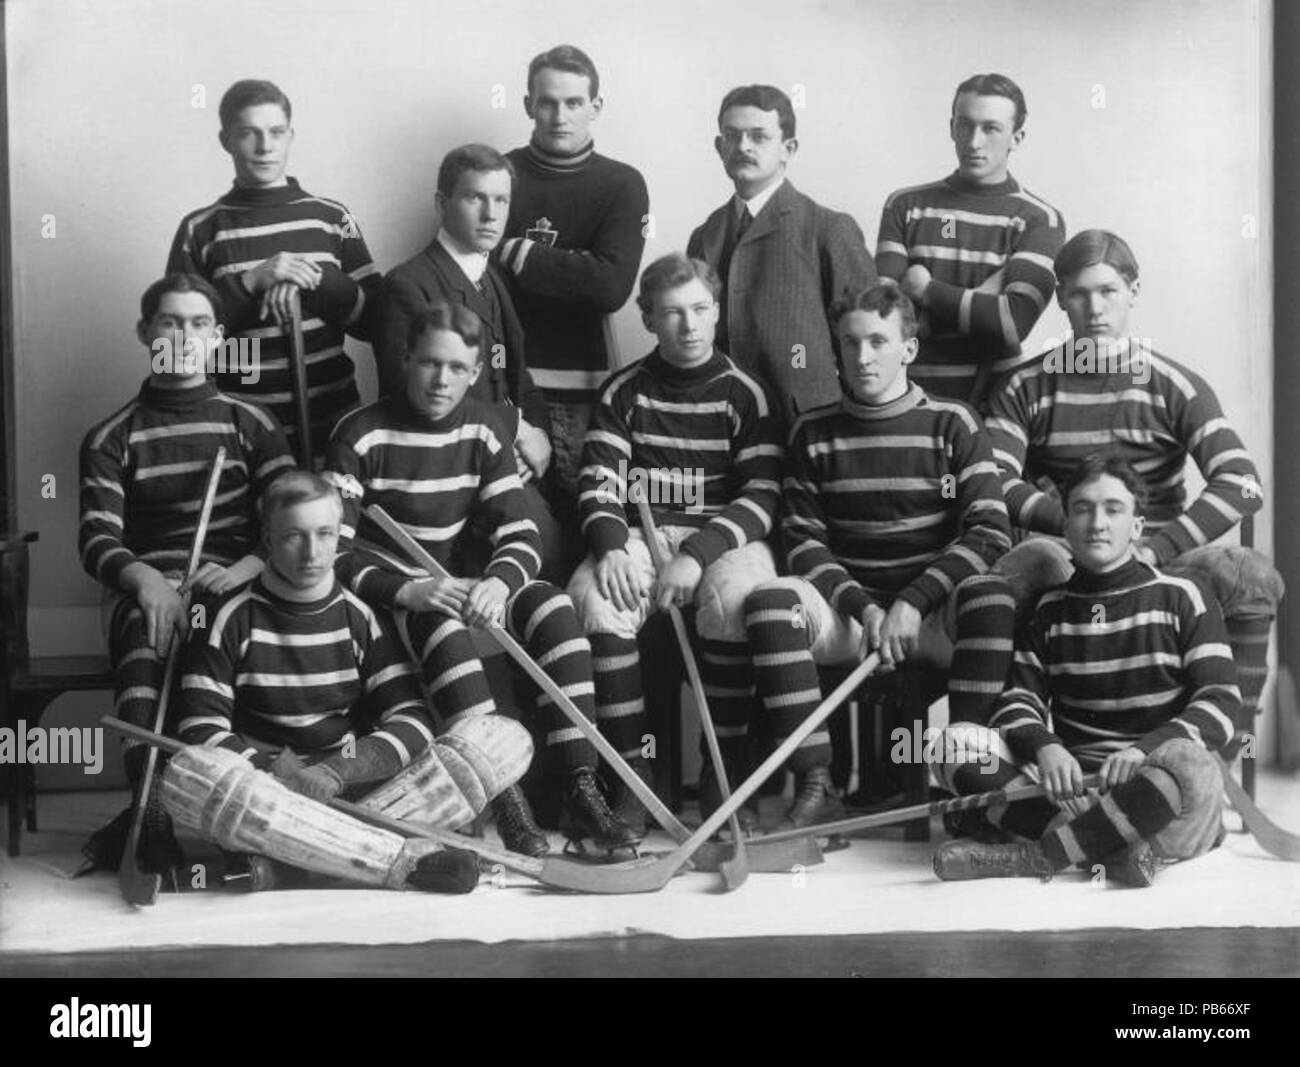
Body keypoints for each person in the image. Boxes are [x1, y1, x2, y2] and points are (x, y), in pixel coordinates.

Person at [327, 301, 636, 856]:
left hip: (464, 581)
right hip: (394, 597)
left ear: (474, 373)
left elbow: (519, 530)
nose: (440, 380)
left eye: (456, 368)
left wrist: (498, 581)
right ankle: (507, 798)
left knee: (554, 607)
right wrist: (408, 589)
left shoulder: (483, 428)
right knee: (440, 626)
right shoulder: (359, 433)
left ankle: (579, 787)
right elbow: (334, 552)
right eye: (428, 363)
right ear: (405, 360)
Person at [985, 229, 1283, 752]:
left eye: (1108, 291)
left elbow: (1242, 482)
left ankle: (1223, 752)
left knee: (1252, 576)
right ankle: (1014, 754)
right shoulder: (1026, 385)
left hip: (1159, 556)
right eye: (1079, 293)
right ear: (1060, 299)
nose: (1094, 308)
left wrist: (1155, 547)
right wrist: (1075, 527)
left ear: (1134, 291)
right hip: (1069, 554)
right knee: (1022, 570)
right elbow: (993, 478)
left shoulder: (1171, 384)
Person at [175, 471, 530, 894]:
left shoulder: (360, 616)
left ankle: (291, 866)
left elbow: (412, 721)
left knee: (499, 740)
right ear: (267, 541)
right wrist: (276, 771)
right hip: (266, 793)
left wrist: (336, 771)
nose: (312, 552)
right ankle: (388, 857)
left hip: (346, 790)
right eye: (294, 536)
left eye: (325, 534)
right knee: (195, 771)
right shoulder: (226, 616)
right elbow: (200, 728)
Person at [743, 282, 1015, 829]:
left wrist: (914, 602)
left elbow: (990, 532)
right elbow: (803, 541)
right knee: (770, 603)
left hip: (930, 614)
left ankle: (966, 780)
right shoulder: (813, 432)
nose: (862, 357)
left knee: (992, 594)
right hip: (852, 615)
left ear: (908, 349)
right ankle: (819, 785)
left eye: (878, 341)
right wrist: (864, 607)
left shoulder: (954, 423)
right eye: (849, 343)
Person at [932, 455, 1239, 887]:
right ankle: (1113, 849)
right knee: (954, 745)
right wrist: (1046, 747)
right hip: (1077, 792)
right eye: (1083, 508)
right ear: (1066, 525)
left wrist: (1143, 751)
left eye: (1113, 509)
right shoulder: (1051, 610)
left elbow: (1221, 701)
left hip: (1159, 788)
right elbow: (1017, 701)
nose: (1097, 522)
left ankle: (1036, 855)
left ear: (1136, 526)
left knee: (1191, 762)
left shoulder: (1183, 595)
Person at [77, 272, 294, 874]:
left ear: (218, 337)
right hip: (151, 584)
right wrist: (146, 581)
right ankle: (150, 810)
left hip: (241, 579)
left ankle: (246, 816)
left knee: (223, 626)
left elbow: (291, 519)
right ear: (146, 332)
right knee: (155, 631)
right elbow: (97, 536)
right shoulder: (111, 436)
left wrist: (250, 564)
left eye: (199, 323)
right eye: (170, 322)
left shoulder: (251, 423)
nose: (184, 335)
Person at [568, 253, 784, 832]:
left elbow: (762, 496)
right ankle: (634, 781)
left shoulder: (746, 394)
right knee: (596, 598)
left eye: (699, 309)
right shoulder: (623, 392)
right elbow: (599, 480)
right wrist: (611, 544)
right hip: (639, 532)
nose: (688, 326)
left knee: (733, 603)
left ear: (716, 312)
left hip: (722, 536)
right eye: (671, 313)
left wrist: (696, 555)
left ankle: (725, 778)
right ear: (648, 318)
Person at [166, 79, 382, 464]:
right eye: (249, 133)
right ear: (226, 140)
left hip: (335, 428)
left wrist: (313, 279)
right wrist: (252, 283)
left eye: (276, 133)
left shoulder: (332, 218)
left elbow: (378, 323)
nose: (265, 147)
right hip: (241, 436)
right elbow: (174, 353)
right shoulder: (200, 229)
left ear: (290, 135)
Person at [375, 143, 563, 579]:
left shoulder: (491, 278)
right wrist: (515, 428)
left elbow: (519, 378)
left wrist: (541, 441)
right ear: (442, 204)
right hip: (448, 470)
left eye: (501, 200)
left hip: (504, 461)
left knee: (559, 551)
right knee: (543, 557)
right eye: (475, 198)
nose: (491, 214)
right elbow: (411, 395)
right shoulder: (409, 284)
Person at [499, 44, 649, 521]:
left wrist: (521, 252)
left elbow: (610, 287)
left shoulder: (622, 183)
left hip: (589, 392)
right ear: (528, 105)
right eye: (546, 102)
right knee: (518, 529)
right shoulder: (500, 173)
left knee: (591, 522)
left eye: (574, 103)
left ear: (595, 108)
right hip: (509, 391)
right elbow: (479, 276)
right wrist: (577, 263)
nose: (559, 116)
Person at [687, 85, 875, 427]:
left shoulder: (828, 228)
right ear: (719, 147)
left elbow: (866, 339)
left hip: (807, 425)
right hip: (721, 424)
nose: (743, 146)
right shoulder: (705, 236)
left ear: (788, 149)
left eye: (759, 137)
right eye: (732, 136)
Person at [875, 73, 1065, 408]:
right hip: (905, 400)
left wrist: (925, 290)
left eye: (991, 128)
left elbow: (1011, 324)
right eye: (965, 125)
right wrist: (979, 305)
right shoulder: (904, 205)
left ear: (1017, 137)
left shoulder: (1038, 219)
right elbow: (883, 315)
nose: (974, 141)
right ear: (951, 128)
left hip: (992, 404)